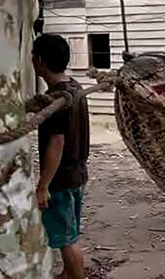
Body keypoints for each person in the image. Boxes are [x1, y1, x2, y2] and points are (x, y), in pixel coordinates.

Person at [31, 34, 89, 279]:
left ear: (40, 60)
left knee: (67, 239)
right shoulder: (75, 88)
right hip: (78, 173)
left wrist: (43, 186)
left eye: (33, 56)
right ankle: (68, 273)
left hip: (61, 180)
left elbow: (57, 143)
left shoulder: (58, 99)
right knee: (71, 231)